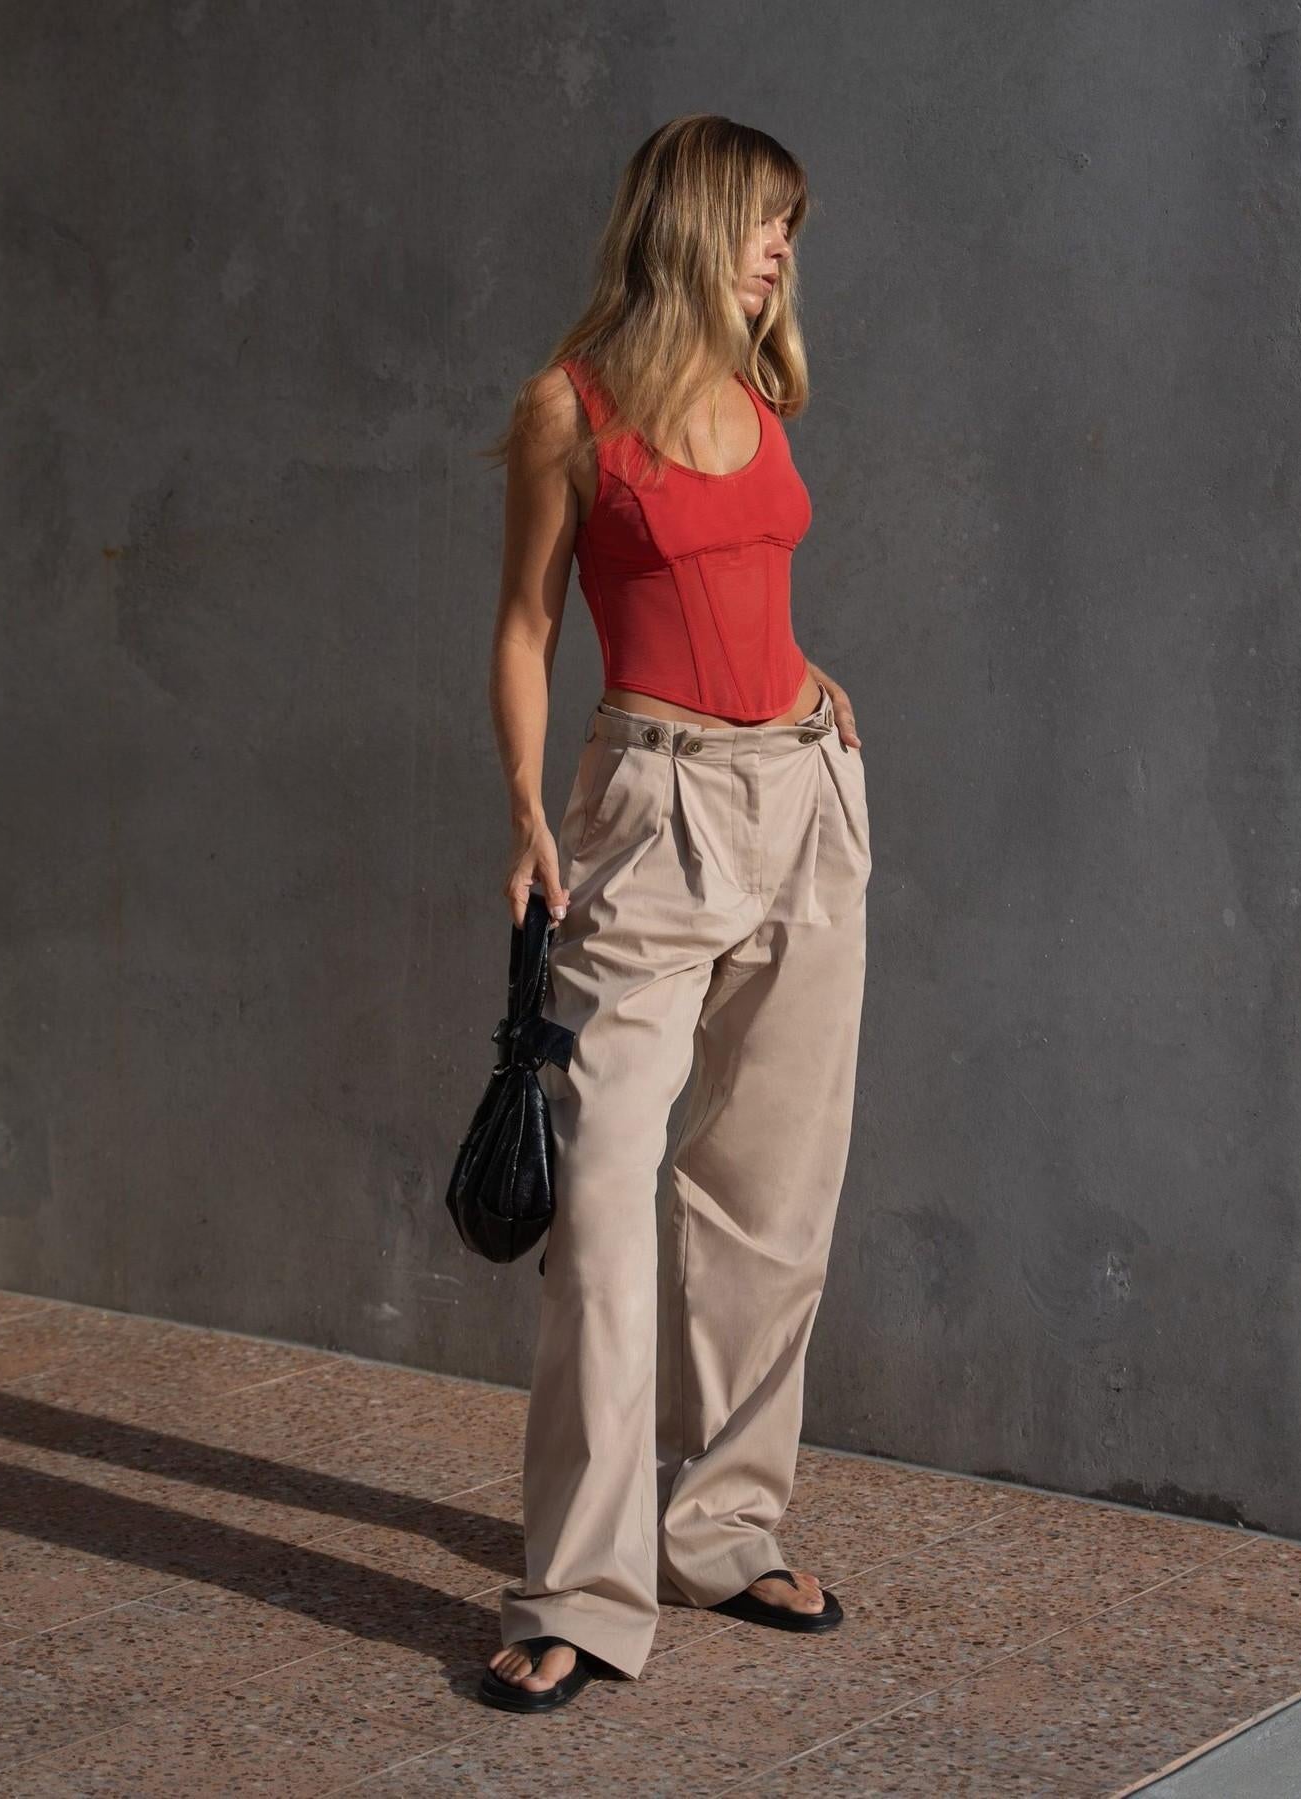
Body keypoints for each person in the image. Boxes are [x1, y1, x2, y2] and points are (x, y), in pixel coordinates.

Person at [477, 113, 871, 1713]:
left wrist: (811, 700)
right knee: (605, 1203)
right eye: (763, 219)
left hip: (806, 796)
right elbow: (521, 628)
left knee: (773, 1199)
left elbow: (750, 583)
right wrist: (522, 809)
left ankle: (725, 1523)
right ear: (691, 220)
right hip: (647, 821)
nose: (781, 247)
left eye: (793, 222)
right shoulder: (568, 411)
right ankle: (578, 1582)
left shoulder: (764, 390)